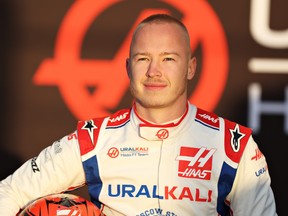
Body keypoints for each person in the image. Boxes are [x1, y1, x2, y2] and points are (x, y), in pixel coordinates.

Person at [0, 13, 277, 216]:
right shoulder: (94, 140)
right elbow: (8, 193)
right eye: (143, 58)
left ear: (190, 68)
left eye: (168, 59)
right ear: (127, 67)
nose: (153, 71)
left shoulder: (232, 145)